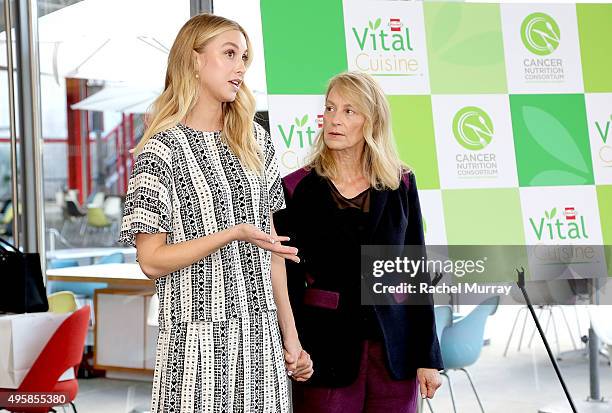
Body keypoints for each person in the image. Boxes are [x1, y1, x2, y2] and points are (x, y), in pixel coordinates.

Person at [119, 13, 311, 412]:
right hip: (194, 345)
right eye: (229, 54)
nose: (240, 66)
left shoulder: (255, 140)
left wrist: (290, 337)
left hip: (261, 341)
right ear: (193, 60)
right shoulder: (160, 151)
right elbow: (151, 261)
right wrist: (231, 233)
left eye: (244, 56)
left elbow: (274, 250)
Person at [274, 71, 443, 413]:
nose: (335, 120)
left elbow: (414, 272)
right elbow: (284, 280)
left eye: (349, 111)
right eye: (330, 108)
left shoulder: (401, 184)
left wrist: (427, 357)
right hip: (322, 352)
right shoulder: (295, 188)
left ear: (372, 120)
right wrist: (292, 348)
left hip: (395, 352)